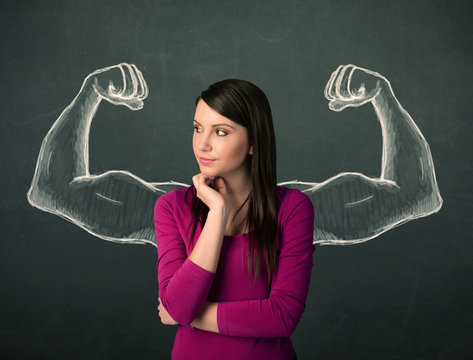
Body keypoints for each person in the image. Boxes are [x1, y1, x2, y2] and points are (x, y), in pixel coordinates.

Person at [154, 79, 314, 359]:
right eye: (197, 128)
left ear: (253, 142)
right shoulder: (171, 207)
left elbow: (283, 316)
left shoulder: (293, 208)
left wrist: (190, 316)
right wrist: (217, 214)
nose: (203, 144)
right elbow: (179, 307)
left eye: (221, 132)